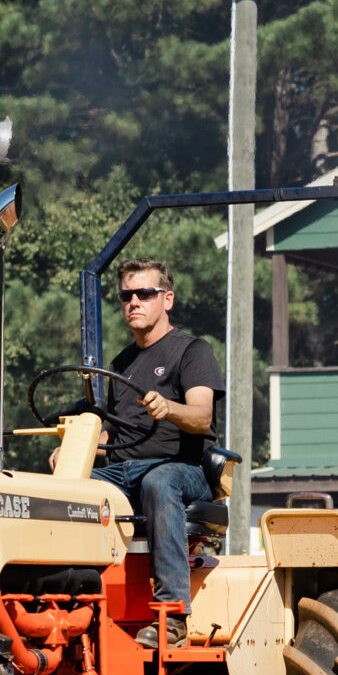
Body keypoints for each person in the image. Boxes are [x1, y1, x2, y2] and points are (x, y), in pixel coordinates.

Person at [91, 260, 224, 649]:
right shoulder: (120, 363)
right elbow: (111, 430)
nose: (134, 302)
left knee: (158, 480)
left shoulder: (192, 350)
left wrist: (170, 408)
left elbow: (201, 417)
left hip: (184, 470)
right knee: (69, 487)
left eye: (144, 294)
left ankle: (173, 614)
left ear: (167, 299)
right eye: (126, 295)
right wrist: (77, 447)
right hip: (123, 471)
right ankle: (72, 597)